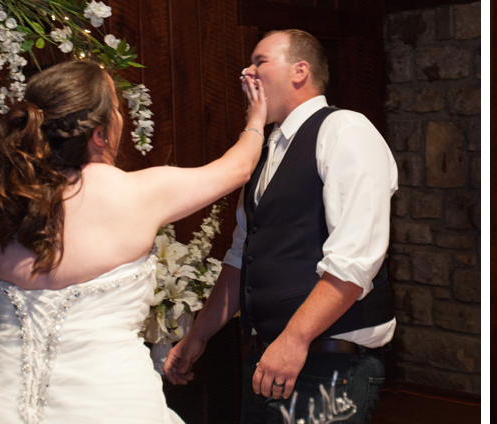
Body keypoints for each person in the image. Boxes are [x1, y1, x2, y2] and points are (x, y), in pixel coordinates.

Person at [0, 59, 267, 423]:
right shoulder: (136, 193)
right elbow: (239, 168)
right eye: (117, 108)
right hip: (111, 405)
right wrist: (256, 118)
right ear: (100, 133)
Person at [162, 29, 397, 424]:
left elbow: (355, 261)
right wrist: (198, 335)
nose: (247, 71)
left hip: (327, 364)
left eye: (260, 61)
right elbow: (242, 257)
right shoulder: (268, 149)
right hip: (266, 358)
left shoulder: (345, 130)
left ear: (299, 71)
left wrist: (294, 339)